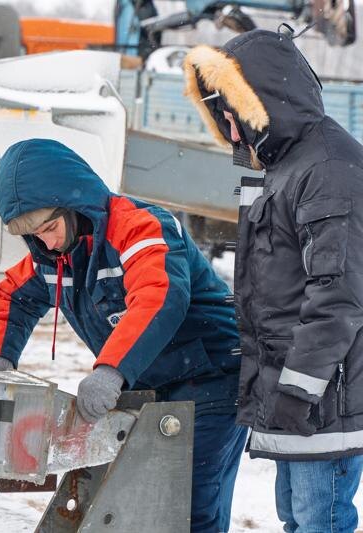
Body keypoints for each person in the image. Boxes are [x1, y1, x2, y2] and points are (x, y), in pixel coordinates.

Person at [0, 138, 245, 533]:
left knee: (187, 502)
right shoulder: (54, 255)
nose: (46, 242)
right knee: (139, 498)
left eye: (50, 227)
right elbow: (12, 297)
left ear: (75, 203)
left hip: (212, 375)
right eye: (34, 236)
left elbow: (160, 296)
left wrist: (110, 371)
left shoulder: (141, 226)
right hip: (150, 382)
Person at [184, 28, 363, 533]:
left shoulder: (327, 167)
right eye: (224, 120)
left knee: (318, 522)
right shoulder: (291, 165)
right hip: (298, 393)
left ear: (263, 102)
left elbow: (338, 297)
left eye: (233, 117)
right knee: (296, 520)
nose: (233, 135)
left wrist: (299, 389)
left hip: (323, 395)